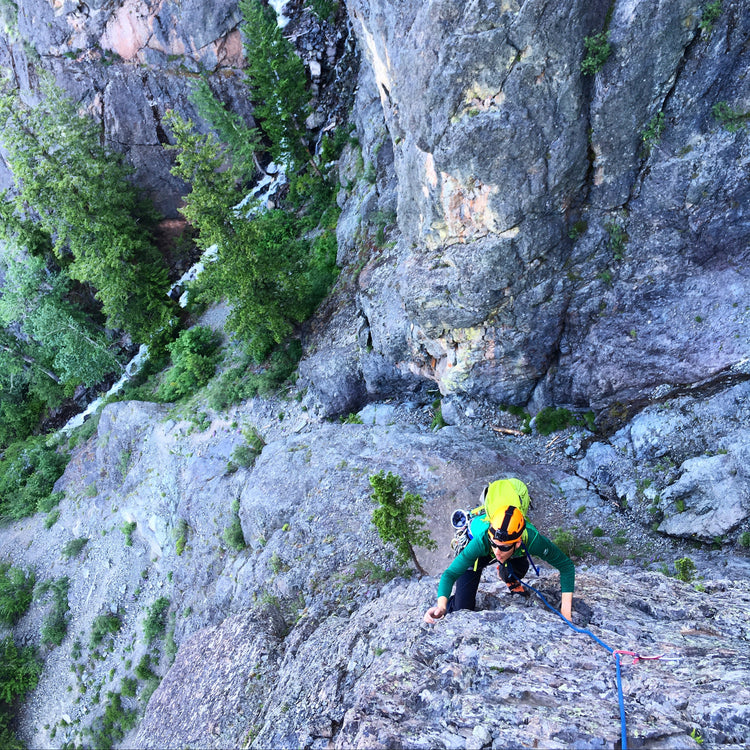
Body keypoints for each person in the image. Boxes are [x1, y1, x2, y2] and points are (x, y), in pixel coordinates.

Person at [424, 478, 575, 624]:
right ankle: (455, 603)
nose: (496, 551)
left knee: (519, 568)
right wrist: (441, 606)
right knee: (462, 608)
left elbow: (566, 566)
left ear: (518, 543)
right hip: (480, 555)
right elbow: (450, 574)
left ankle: (509, 576)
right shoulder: (482, 541)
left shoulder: (532, 539)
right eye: (494, 544)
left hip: (511, 552)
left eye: (502, 547)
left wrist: (566, 612)